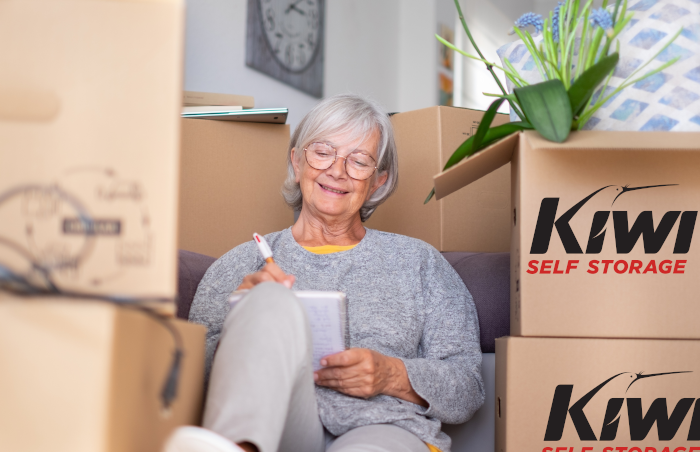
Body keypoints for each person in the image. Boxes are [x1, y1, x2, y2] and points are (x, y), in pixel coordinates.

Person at [165, 94, 484, 452]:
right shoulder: (240, 264)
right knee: (267, 298)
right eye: (322, 152)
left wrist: (391, 374)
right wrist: (244, 319)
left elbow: (468, 389)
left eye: (359, 161)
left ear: (379, 180)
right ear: (297, 162)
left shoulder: (419, 262)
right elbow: (188, 383)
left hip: (384, 428)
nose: (337, 170)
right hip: (282, 430)